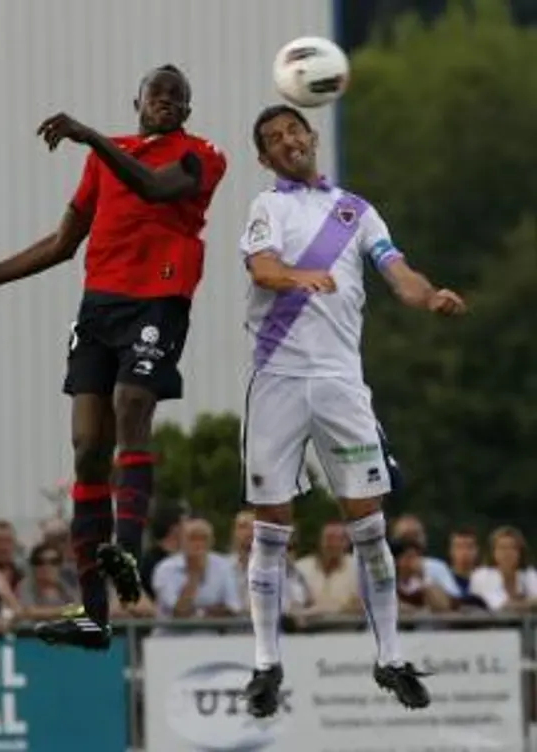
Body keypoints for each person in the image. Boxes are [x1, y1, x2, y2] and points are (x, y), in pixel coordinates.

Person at [0, 64, 227, 650]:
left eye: (177, 96)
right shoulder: (103, 161)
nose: (165, 101)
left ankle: (126, 554)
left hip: (158, 300)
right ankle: (94, 614)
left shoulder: (201, 155)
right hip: (99, 310)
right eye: (157, 92)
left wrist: (90, 136)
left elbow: (158, 188)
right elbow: (60, 245)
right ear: (137, 99)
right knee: (86, 450)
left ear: (187, 109)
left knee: (132, 404)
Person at [238, 104, 466, 718]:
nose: (289, 142)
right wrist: (297, 277)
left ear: (312, 138)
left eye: (295, 132)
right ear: (266, 159)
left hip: (341, 382)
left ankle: (390, 657)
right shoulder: (269, 208)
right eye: (275, 140)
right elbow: (260, 268)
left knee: (369, 525)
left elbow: (399, 272)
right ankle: (266, 663)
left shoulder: (356, 211)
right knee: (271, 526)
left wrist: (428, 297)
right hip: (279, 379)